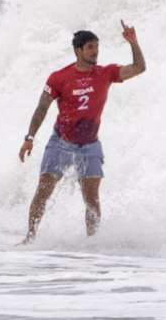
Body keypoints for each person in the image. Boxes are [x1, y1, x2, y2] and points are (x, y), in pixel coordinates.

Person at [18, 20, 146, 244]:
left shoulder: (105, 73)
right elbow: (42, 108)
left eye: (97, 46)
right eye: (90, 47)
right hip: (61, 142)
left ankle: (92, 243)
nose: (95, 51)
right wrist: (29, 138)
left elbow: (139, 68)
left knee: (92, 199)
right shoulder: (59, 77)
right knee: (43, 191)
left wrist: (133, 43)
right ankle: (29, 238)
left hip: (89, 145)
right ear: (78, 50)